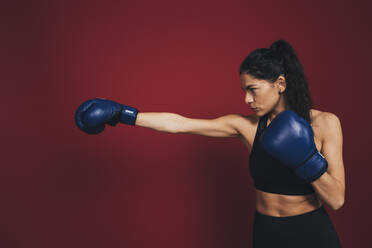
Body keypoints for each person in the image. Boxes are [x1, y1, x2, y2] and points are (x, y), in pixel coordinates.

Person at [74, 39, 344, 248]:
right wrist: (124, 114)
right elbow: (181, 124)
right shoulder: (247, 127)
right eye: (244, 91)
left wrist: (306, 157)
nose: (247, 100)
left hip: (311, 232)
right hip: (267, 232)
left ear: (280, 84)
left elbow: (336, 199)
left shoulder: (324, 123)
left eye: (253, 90)